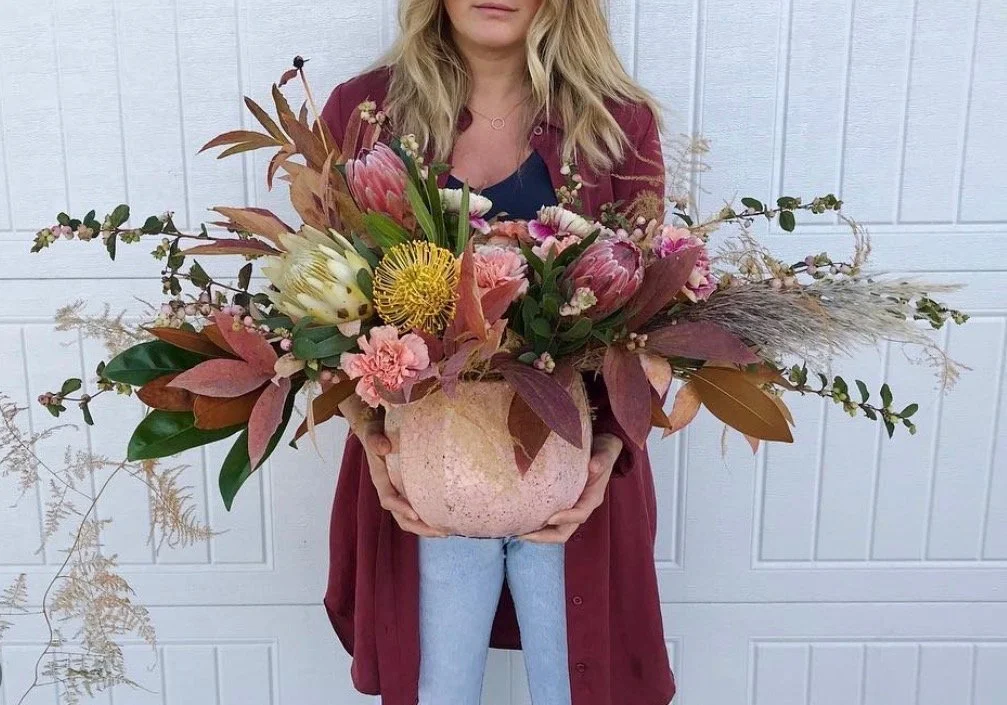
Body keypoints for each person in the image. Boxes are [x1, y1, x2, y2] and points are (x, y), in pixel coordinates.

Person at [320, 1, 673, 703]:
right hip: (423, 480)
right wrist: (369, 439)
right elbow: (328, 308)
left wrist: (608, 453)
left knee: (578, 687)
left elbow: (657, 318)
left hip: (568, 480)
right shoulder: (361, 113)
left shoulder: (614, 124)